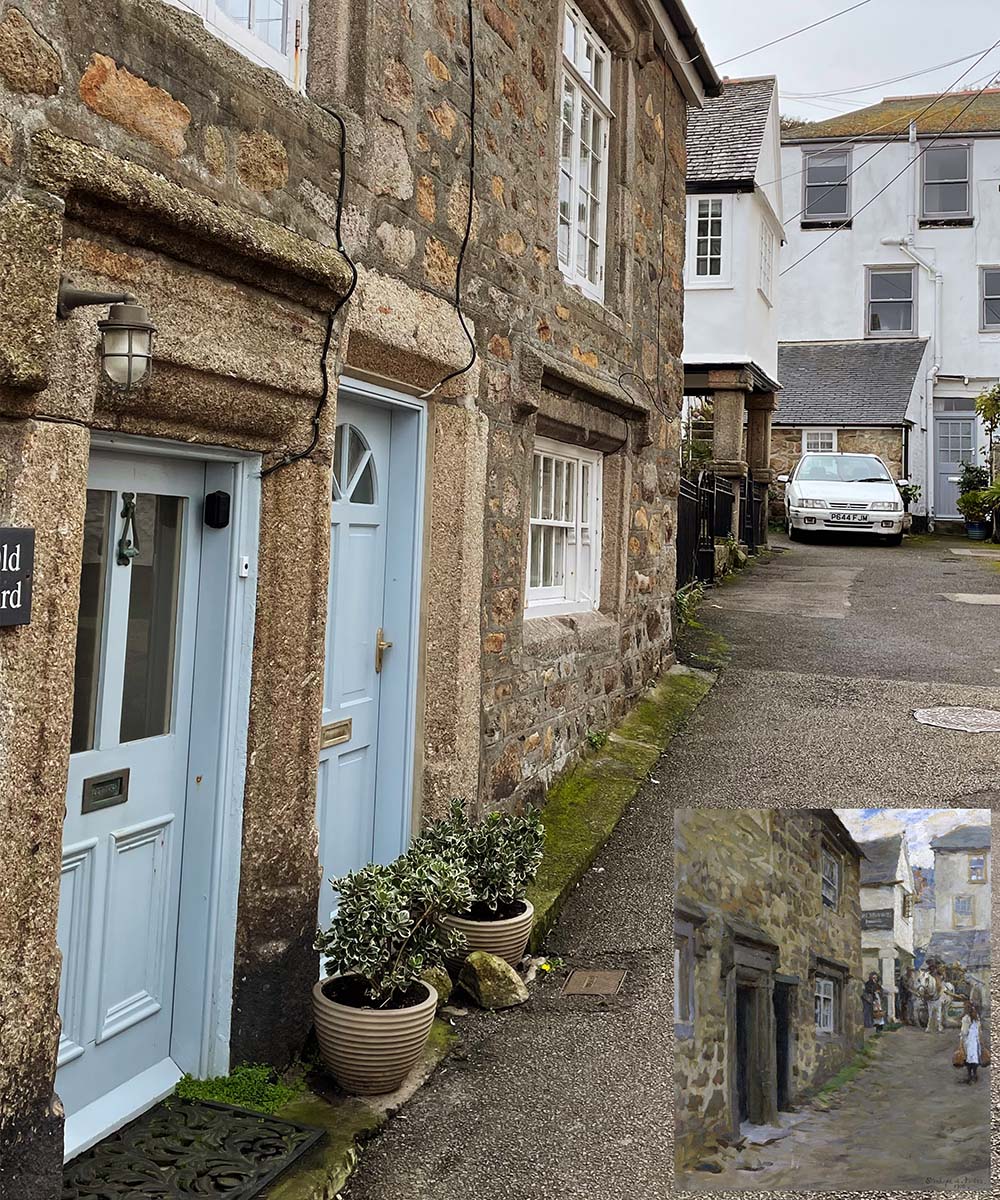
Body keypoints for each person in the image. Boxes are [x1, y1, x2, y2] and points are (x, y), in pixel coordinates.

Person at [960, 1001, 981, 1084]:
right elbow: (979, 1030)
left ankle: (970, 1076)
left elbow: (964, 1032)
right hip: (975, 1041)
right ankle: (975, 1075)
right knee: (974, 1059)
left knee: (968, 1059)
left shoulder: (965, 1018)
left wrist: (961, 1042)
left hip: (968, 1041)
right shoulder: (976, 1017)